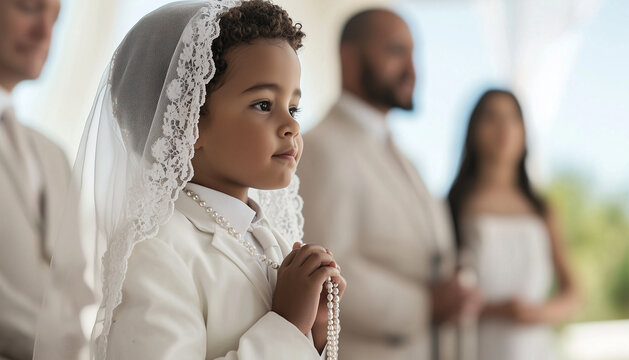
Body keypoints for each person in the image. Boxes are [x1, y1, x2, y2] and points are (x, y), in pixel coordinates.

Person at [35, 1, 347, 359]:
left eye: (293, 108)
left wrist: (316, 332)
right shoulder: (156, 248)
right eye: (263, 104)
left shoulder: (270, 241)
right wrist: (288, 325)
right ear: (190, 123)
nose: (291, 125)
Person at [298, 8, 478, 360]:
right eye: (396, 52)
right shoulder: (321, 148)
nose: (413, 70)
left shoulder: (405, 158)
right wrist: (427, 304)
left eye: (414, 54)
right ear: (349, 58)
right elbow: (326, 269)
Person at [448, 89, 580, 360]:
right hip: (476, 347)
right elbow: (442, 294)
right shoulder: (453, 205)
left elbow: (573, 293)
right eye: (492, 118)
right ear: (473, 131)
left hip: (533, 348)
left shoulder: (542, 209)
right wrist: (497, 311)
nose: (503, 128)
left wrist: (536, 313)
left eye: (512, 118)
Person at [0, 0, 90, 358]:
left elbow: (76, 282)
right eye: (29, 8)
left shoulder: (53, 154)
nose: (45, 33)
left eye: (56, 18)